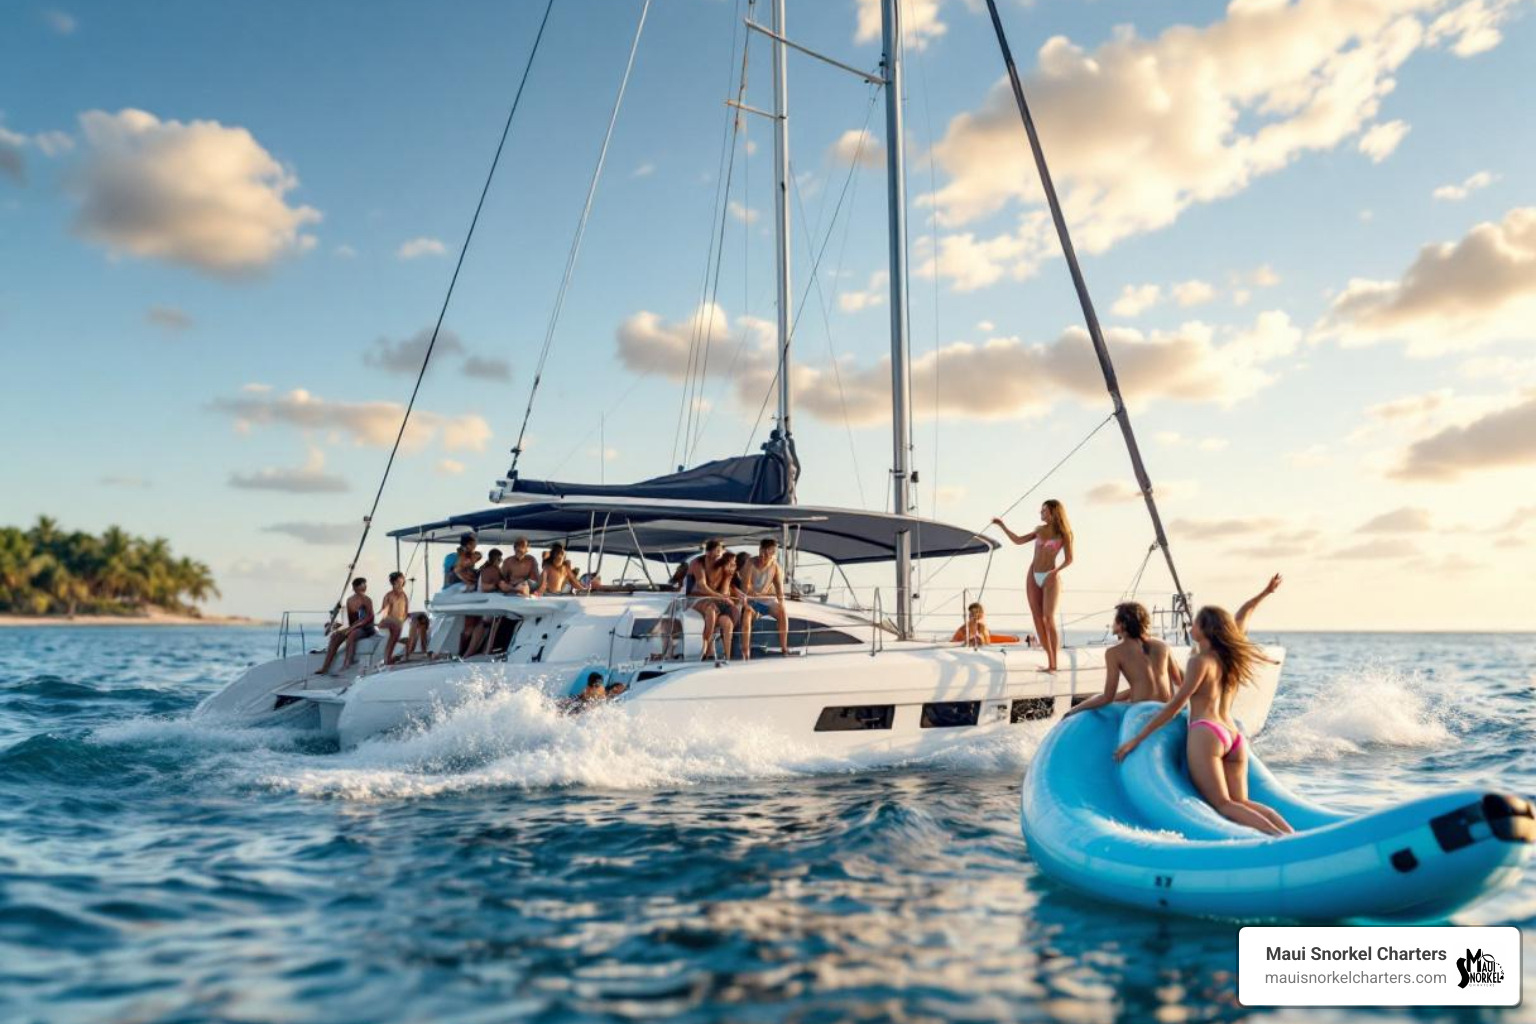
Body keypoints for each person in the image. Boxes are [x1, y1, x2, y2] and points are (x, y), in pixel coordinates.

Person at [1113, 575, 1290, 836]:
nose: (1191, 625)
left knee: (1224, 805)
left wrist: (1135, 740)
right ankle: (1292, 835)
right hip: (1233, 736)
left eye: (1195, 622)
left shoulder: (1200, 661)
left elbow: (1175, 705)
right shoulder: (1230, 657)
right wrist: (1265, 593)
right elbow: (1243, 614)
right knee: (1242, 802)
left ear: (1204, 630)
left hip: (1207, 733)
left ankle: (1281, 841)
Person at [991, 499, 1074, 672]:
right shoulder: (1039, 531)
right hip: (1033, 575)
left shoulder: (1065, 533)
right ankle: (1048, 658)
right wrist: (1003, 526)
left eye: (1044, 511)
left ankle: (1054, 663)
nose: (1041, 513)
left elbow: (1069, 559)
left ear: (1053, 512)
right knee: (1037, 619)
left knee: (1048, 618)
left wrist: (1056, 571)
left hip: (1051, 575)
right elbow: (1018, 540)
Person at [1064, 602, 1180, 717]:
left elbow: (1107, 697)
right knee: (1100, 699)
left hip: (1141, 715)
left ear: (1122, 624)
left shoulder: (1114, 653)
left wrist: (1074, 710)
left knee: (1097, 707)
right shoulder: (1163, 646)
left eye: (1115, 620)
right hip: (1167, 711)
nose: (1112, 623)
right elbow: (1179, 681)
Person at [740, 538, 790, 659]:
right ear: (759, 550)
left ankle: (784, 648)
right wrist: (754, 594)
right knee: (746, 615)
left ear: (772, 553)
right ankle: (746, 652)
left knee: (783, 612)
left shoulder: (776, 567)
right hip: (752, 601)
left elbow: (779, 590)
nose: (763, 557)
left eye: (767, 554)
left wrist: (781, 602)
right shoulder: (750, 563)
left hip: (767, 602)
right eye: (762, 553)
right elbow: (745, 587)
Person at [684, 539, 734, 660]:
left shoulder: (722, 565)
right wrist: (720, 597)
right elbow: (702, 585)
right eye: (717, 551)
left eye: (721, 551)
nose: (720, 553)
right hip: (694, 599)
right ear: (708, 552)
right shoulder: (697, 563)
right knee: (711, 610)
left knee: (727, 621)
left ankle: (728, 656)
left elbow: (724, 592)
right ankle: (708, 647)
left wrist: (728, 576)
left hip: (713, 600)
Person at [315, 577, 376, 675]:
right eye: (362, 585)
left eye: (365, 585)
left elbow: (370, 617)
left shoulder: (367, 600)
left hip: (366, 628)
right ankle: (325, 667)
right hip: (354, 627)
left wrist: (353, 627)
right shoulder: (350, 600)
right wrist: (339, 626)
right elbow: (351, 620)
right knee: (335, 636)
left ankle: (347, 663)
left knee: (352, 634)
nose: (365, 587)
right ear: (355, 587)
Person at [379, 571, 429, 665]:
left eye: (402, 581)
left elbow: (405, 613)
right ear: (393, 583)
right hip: (390, 621)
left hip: (401, 620)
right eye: (398, 581)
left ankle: (422, 649)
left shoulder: (403, 595)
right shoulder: (389, 596)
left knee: (422, 618)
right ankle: (390, 657)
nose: (401, 583)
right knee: (398, 627)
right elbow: (384, 613)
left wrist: (415, 616)